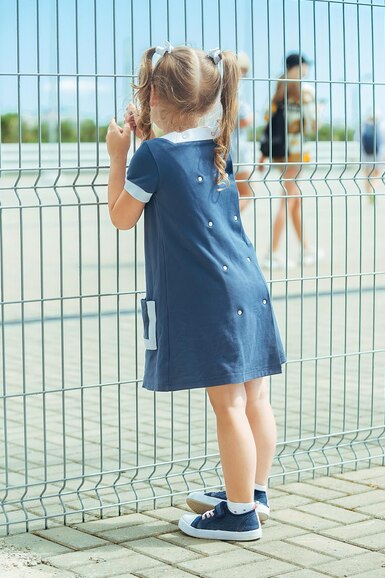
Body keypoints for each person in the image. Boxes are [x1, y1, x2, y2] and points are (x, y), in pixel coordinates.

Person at [106, 42, 286, 541]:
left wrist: (120, 156)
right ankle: (254, 490)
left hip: (210, 298)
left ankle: (240, 513)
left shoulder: (154, 156)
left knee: (227, 405)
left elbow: (122, 217)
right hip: (249, 285)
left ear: (156, 99)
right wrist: (147, 139)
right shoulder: (221, 141)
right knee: (255, 398)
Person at [259, 53, 318, 268]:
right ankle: (271, 253)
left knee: (295, 201)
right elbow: (312, 125)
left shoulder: (279, 88)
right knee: (288, 200)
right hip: (297, 154)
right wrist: (317, 110)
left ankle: (307, 249)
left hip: (280, 153)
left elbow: (268, 118)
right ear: (300, 67)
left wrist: (264, 153)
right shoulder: (304, 93)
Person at [231, 52, 254, 212]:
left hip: (222, 147)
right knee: (246, 193)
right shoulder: (236, 89)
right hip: (237, 148)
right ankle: (225, 225)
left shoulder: (216, 86)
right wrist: (252, 116)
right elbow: (244, 119)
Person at [360, 113, 385, 203]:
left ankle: (369, 194)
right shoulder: (381, 125)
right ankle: (372, 190)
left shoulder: (363, 126)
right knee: (376, 176)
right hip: (377, 155)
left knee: (367, 177)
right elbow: (384, 141)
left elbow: (357, 139)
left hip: (365, 155)